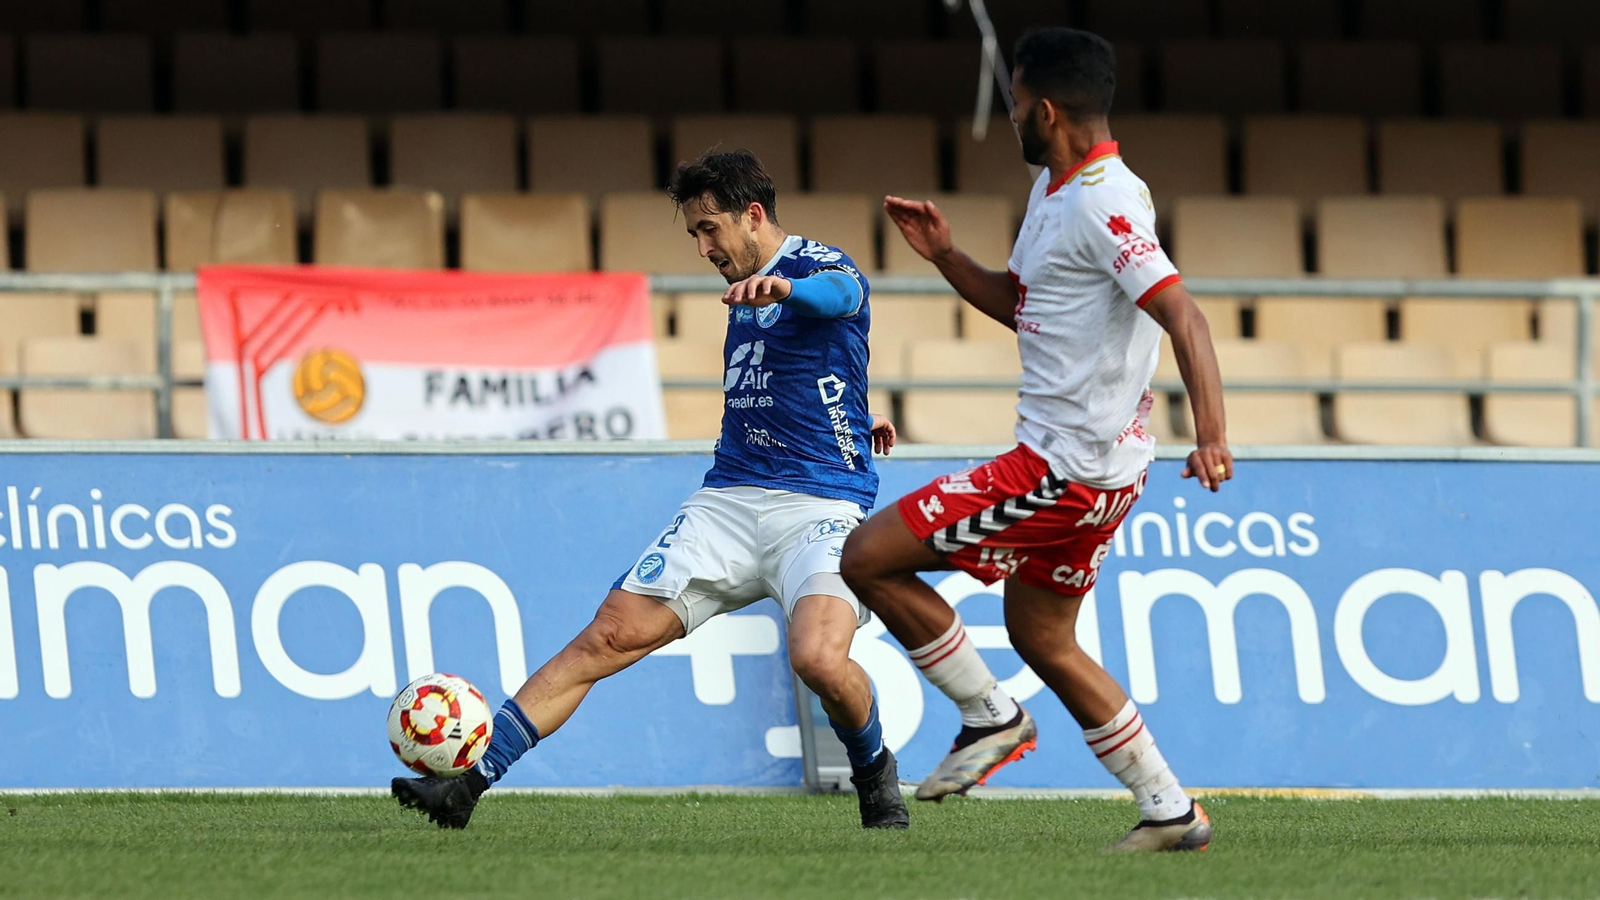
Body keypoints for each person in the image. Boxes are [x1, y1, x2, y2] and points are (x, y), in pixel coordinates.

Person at [392, 150, 909, 830]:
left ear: (753, 216)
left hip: (820, 505)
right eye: (694, 233)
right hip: (728, 501)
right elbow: (813, 371)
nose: (702, 248)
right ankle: (465, 788)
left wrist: (787, 290)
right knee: (606, 637)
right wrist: (853, 408)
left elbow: (842, 299)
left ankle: (874, 770)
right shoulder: (745, 281)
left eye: (709, 229)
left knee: (817, 658)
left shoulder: (817, 267)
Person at [839, 27, 1231, 852]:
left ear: (1045, 110)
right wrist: (947, 256)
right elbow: (1024, 305)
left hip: (1063, 470)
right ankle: (1170, 809)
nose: (1010, 114)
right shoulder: (1058, 190)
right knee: (1044, 637)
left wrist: (1212, 437)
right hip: (1098, 468)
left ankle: (990, 716)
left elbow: (1184, 314)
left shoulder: (1104, 203)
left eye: (1015, 102)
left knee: (866, 557)